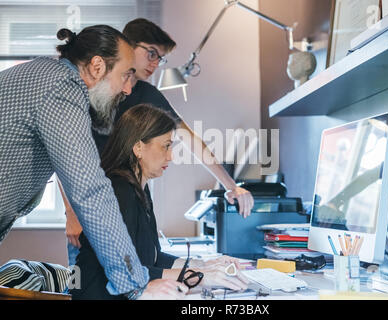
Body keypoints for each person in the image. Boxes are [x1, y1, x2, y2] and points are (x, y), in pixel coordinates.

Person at [0, 25, 186, 300]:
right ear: (97, 66)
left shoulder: (45, 76)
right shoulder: (61, 88)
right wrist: (136, 284)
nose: (126, 89)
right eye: (124, 75)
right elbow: (89, 190)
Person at [65, 18, 255, 263]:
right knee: (90, 281)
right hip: (89, 205)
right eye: (151, 53)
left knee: (145, 270)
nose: (155, 64)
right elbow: (64, 157)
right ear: (127, 46)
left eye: (160, 58)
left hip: (133, 198)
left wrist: (231, 185)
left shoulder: (147, 94)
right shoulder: (92, 90)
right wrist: (71, 212)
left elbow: (191, 139)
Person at [70, 104, 249, 299]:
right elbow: (130, 271)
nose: (171, 156)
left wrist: (204, 265)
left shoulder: (140, 188)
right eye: (166, 146)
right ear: (138, 147)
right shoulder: (119, 189)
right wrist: (202, 276)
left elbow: (155, 259)